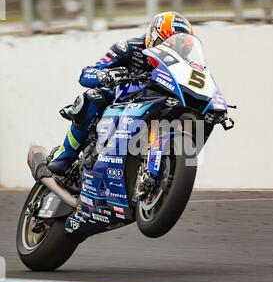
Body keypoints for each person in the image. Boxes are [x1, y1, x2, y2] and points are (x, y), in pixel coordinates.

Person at [48, 11, 194, 175]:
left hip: (154, 104)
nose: (173, 53)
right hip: (120, 101)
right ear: (153, 36)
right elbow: (86, 74)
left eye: (181, 50)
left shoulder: (184, 66)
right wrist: (106, 75)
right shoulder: (129, 48)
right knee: (91, 98)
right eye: (169, 46)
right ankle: (64, 156)